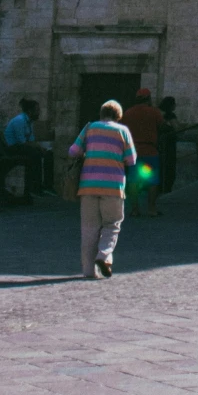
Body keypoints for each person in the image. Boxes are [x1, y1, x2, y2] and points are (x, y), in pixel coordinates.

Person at [68, 99, 137, 277]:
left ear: (101, 113)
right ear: (118, 116)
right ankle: (104, 255)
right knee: (112, 224)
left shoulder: (89, 128)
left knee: (89, 228)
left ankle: (88, 271)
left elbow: (73, 151)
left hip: (88, 185)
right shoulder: (123, 131)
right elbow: (131, 160)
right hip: (113, 186)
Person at [123, 88, 163, 216]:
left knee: (133, 181)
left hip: (133, 152)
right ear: (149, 99)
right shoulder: (154, 112)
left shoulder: (128, 113)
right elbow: (162, 127)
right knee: (152, 180)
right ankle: (151, 209)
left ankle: (135, 209)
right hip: (150, 150)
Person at [2, 97, 44, 205]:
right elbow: (22, 141)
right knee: (35, 155)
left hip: (20, 146)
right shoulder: (19, 121)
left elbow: (31, 140)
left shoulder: (29, 122)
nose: (39, 113)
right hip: (11, 147)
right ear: (30, 111)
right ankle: (35, 186)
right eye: (37, 110)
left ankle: (37, 186)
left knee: (44, 154)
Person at [157, 95, 179, 198]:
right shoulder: (170, 116)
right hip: (169, 146)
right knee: (170, 167)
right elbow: (177, 128)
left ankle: (161, 189)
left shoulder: (158, 115)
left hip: (160, 145)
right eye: (174, 103)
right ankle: (167, 189)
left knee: (161, 167)